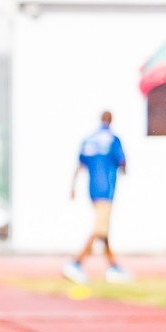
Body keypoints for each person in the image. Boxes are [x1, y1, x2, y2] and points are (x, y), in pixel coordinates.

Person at [64, 111, 131, 285]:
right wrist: (124, 169)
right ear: (111, 120)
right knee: (99, 229)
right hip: (106, 190)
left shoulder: (89, 139)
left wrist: (72, 187)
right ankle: (76, 263)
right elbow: (123, 162)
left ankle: (113, 267)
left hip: (92, 190)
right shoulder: (113, 140)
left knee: (103, 228)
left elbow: (79, 165)